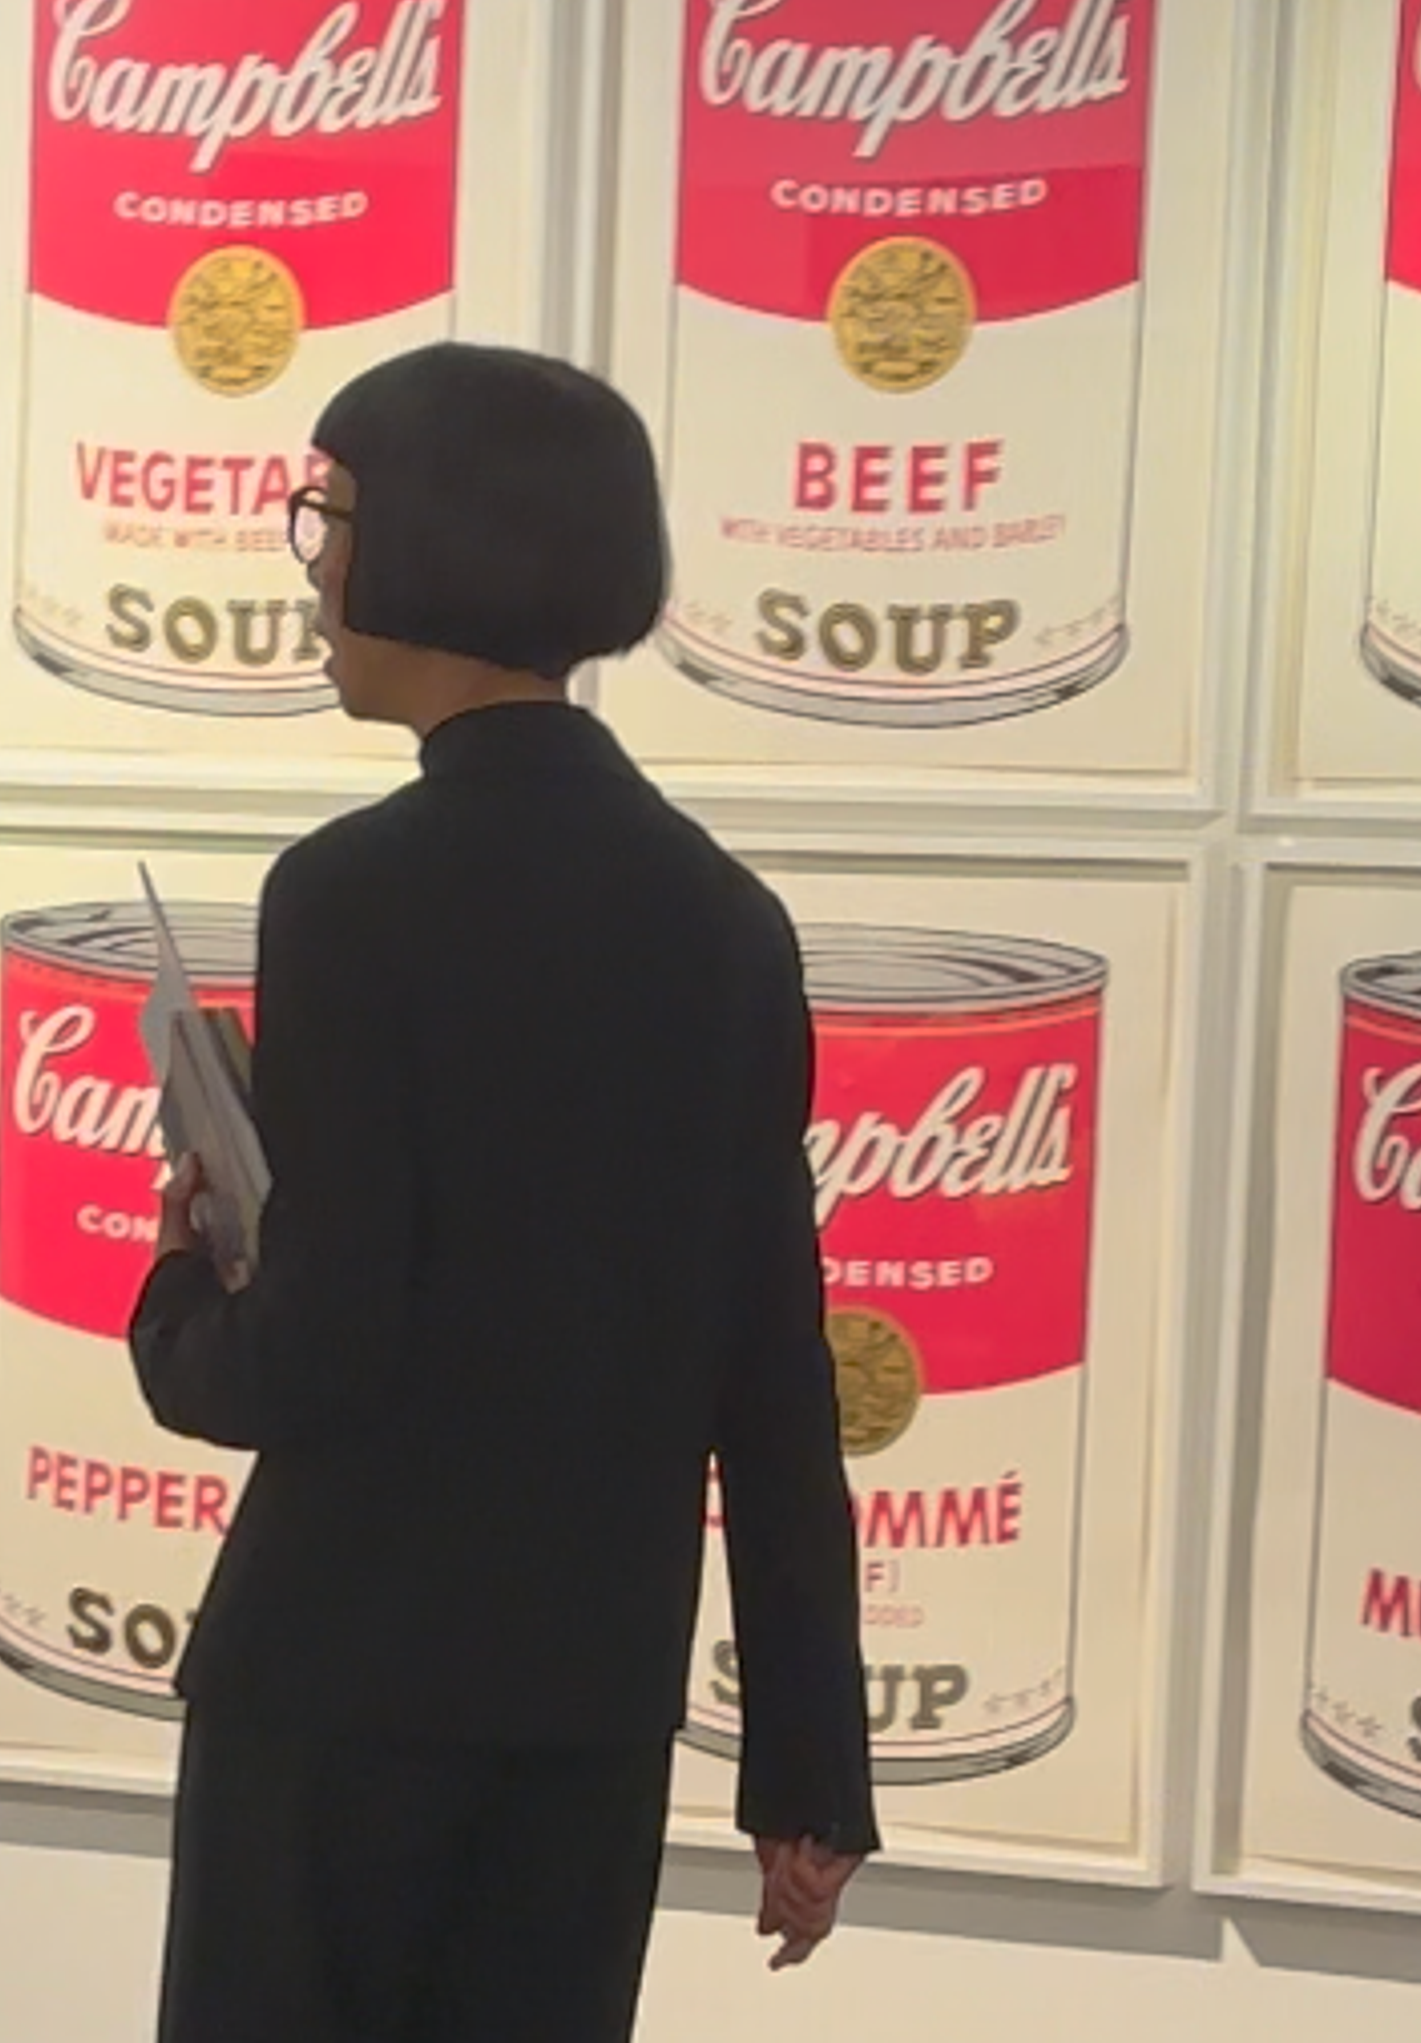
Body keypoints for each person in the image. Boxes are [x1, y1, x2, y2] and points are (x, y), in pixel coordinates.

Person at [126, 343, 876, 2043]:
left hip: (336, 1689)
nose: (313, 569)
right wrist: (808, 1773)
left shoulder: (351, 897)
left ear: (430, 543)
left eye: (329, 516)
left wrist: (181, 1298)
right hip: (590, 1709)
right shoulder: (725, 920)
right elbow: (774, 1380)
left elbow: (315, 1351)